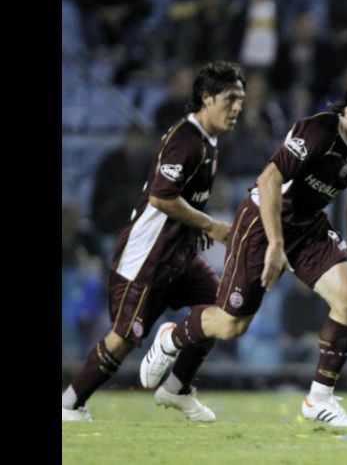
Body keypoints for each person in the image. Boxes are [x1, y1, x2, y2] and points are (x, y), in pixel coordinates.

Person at [140, 78, 347, 427]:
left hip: (307, 227)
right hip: (262, 221)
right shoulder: (316, 132)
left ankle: (318, 400)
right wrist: (275, 243)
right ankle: (172, 336)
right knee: (230, 326)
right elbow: (268, 180)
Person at [62, 60, 246, 422]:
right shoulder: (185, 140)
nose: (238, 107)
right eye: (230, 98)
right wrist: (210, 225)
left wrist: (194, 230)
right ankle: (70, 403)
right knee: (125, 338)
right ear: (207, 99)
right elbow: (162, 197)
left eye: (241, 99)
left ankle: (177, 388)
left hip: (179, 255)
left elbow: (182, 200)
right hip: (148, 257)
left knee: (222, 311)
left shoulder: (208, 143)